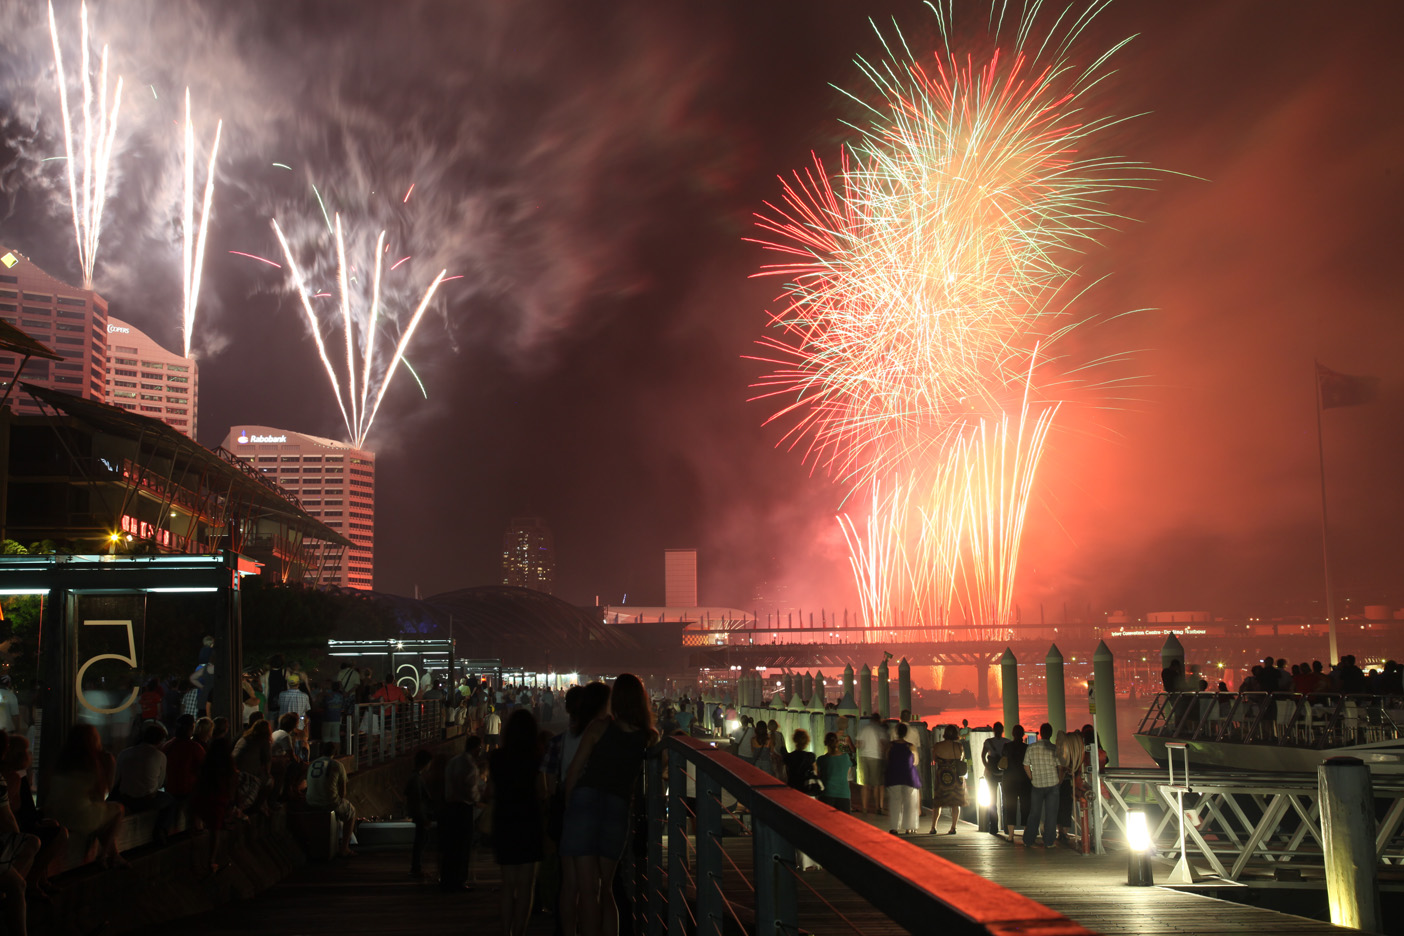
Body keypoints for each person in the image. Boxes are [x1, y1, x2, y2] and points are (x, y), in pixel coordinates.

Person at [560, 673, 658, 936]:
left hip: (584, 803)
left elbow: (574, 772)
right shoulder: (648, 738)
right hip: (617, 807)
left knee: (587, 890)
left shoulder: (600, 727)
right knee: (607, 889)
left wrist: (571, 807)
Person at [489, 709, 545, 936]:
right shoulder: (536, 757)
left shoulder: (496, 757)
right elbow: (542, 792)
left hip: (504, 820)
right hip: (530, 820)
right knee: (526, 886)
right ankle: (520, 931)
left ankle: (505, 931)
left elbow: (491, 791)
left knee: (507, 884)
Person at [45, 725, 124, 868]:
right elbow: (101, 796)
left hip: (55, 815)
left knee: (100, 814)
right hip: (78, 817)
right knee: (118, 810)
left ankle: (114, 855)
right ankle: (105, 855)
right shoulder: (96, 762)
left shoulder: (61, 760)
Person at [1, 734, 64, 900]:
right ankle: (33, 881)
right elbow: (11, 814)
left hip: (22, 826)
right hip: (17, 830)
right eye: (27, 751)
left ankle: (40, 879)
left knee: (53, 827)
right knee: (58, 833)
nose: (30, 755)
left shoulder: (18, 776)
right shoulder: (13, 778)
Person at [0, 732, 38, 936]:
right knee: (18, 885)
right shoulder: (11, 777)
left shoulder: (15, 776)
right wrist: (17, 839)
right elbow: (7, 817)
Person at [111, 723, 173, 837]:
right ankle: (161, 830)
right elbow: (160, 783)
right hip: (147, 801)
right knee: (169, 800)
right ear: (160, 741)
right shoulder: (159, 756)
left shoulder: (124, 753)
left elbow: (116, 779)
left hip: (125, 798)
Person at [440, 735, 482, 891]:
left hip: (449, 806)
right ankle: (459, 880)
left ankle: (446, 878)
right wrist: (478, 797)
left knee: (450, 845)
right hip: (464, 807)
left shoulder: (453, 761)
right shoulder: (470, 765)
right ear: (476, 748)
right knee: (463, 845)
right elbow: (470, 791)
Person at [191, 737, 237, 876]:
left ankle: (207, 860)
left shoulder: (206, 763)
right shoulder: (228, 765)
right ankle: (212, 860)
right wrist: (231, 803)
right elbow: (231, 787)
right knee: (215, 832)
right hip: (218, 800)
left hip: (204, 797)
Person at [306, 743, 356, 857]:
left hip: (311, 801)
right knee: (351, 811)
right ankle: (344, 848)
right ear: (335, 753)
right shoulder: (338, 765)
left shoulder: (312, 764)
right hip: (329, 802)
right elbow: (342, 793)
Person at [1022, 723, 1063, 850]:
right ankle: (1049, 841)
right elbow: (1060, 767)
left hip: (1037, 784)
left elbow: (1026, 765)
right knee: (1051, 814)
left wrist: (1032, 777)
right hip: (1052, 784)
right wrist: (1059, 780)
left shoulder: (1032, 747)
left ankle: (1029, 840)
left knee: (1034, 813)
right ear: (1050, 734)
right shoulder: (1055, 749)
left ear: (1040, 733)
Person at [162, 714, 205, 830]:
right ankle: (197, 827)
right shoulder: (194, 747)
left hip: (170, 789)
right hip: (187, 791)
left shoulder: (167, 746)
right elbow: (204, 769)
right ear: (191, 729)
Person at [884, 722, 921, 834]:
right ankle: (909, 827)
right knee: (910, 802)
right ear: (906, 733)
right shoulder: (911, 746)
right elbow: (916, 762)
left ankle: (894, 827)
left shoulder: (890, 745)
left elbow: (887, 758)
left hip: (894, 775)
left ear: (896, 732)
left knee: (895, 802)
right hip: (909, 776)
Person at [929, 724, 967, 834]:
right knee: (955, 802)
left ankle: (933, 827)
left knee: (938, 802)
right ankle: (953, 827)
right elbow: (962, 758)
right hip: (955, 776)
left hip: (942, 776)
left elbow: (934, 759)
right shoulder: (959, 746)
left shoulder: (937, 746)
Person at [231, 719, 273, 815]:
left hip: (234, 772)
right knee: (269, 782)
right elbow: (267, 765)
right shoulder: (264, 741)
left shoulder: (243, 738)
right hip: (248, 775)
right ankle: (258, 806)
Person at [405, 749, 434, 879]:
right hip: (420, 814)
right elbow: (417, 800)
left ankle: (417, 867)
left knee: (421, 840)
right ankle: (416, 868)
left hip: (418, 813)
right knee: (420, 841)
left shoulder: (414, 777)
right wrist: (424, 817)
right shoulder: (417, 779)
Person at [1055, 728, 1085, 848]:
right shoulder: (1076, 755)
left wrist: (1059, 781)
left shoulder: (1063, 753)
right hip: (1070, 783)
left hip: (1062, 783)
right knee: (1067, 808)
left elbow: (1061, 768)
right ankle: (1065, 832)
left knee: (1060, 806)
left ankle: (1060, 831)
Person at [1000, 725, 1029, 842]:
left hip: (1009, 779)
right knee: (1025, 806)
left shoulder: (1007, 746)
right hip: (1024, 779)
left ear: (1013, 734)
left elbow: (1003, 759)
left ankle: (1011, 835)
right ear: (1023, 735)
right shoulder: (1027, 748)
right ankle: (1026, 833)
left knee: (1010, 807)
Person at [857, 712, 888, 815]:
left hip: (864, 756)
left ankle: (864, 808)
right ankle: (878, 807)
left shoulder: (864, 729)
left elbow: (858, 744)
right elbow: (883, 744)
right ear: (878, 720)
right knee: (876, 784)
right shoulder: (879, 729)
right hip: (876, 757)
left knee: (865, 784)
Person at [815, 732, 852, 812]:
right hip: (843, 794)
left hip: (826, 793)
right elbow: (847, 772)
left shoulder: (821, 759)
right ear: (837, 742)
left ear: (825, 743)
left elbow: (818, 774)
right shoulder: (846, 757)